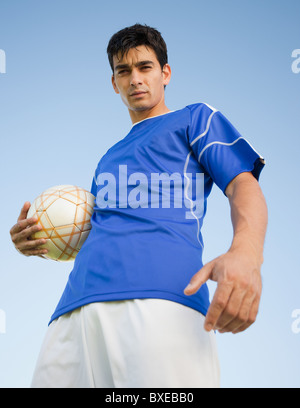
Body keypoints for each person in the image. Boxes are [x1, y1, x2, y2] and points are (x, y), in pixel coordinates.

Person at [10, 24, 268, 388]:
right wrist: (36, 238)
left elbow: (244, 185)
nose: (135, 79)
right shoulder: (107, 158)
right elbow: (100, 228)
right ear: (114, 82)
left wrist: (246, 252)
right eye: (123, 71)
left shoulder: (196, 118)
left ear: (165, 73)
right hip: (73, 310)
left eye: (145, 67)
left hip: (163, 300)